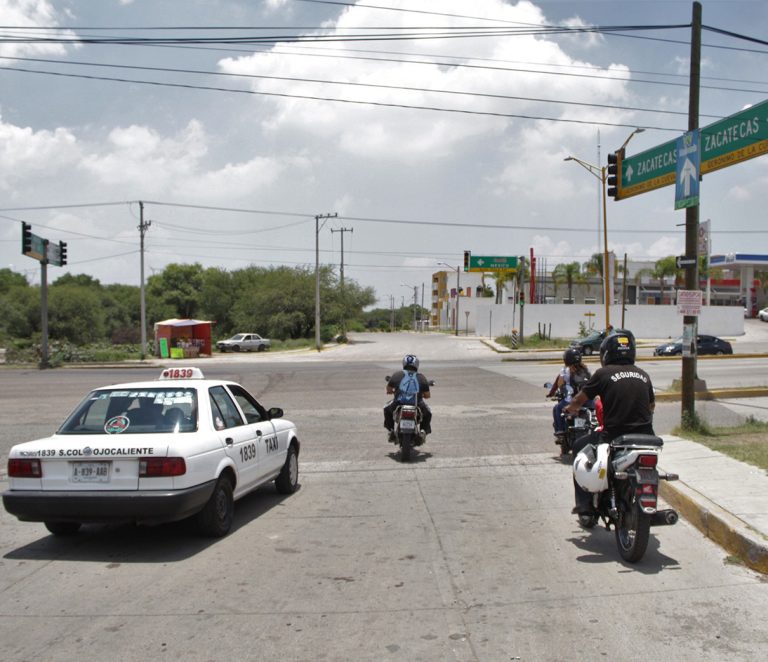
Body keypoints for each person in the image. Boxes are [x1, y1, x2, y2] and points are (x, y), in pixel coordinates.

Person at [565, 329, 655, 515]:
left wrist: (570, 408)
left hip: (614, 435)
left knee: (578, 447)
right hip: (646, 437)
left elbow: (579, 400)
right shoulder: (643, 374)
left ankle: (585, 504)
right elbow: (651, 405)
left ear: (606, 353)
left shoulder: (603, 374)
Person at [384, 354, 432, 442]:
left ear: (404, 363)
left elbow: (388, 389)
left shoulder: (397, 374)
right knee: (428, 413)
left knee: (386, 409)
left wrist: (391, 391)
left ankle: (391, 431)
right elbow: (427, 395)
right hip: (417, 404)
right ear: (417, 364)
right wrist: (422, 395)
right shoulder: (421, 377)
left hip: (398, 403)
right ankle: (422, 432)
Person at [546, 348, 591, 441]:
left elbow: (559, 384)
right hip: (586, 400)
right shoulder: (585, 369)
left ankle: (560, 432)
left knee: (557, 408)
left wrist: (552, 392)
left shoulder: (565, 370)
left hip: (571, 401)